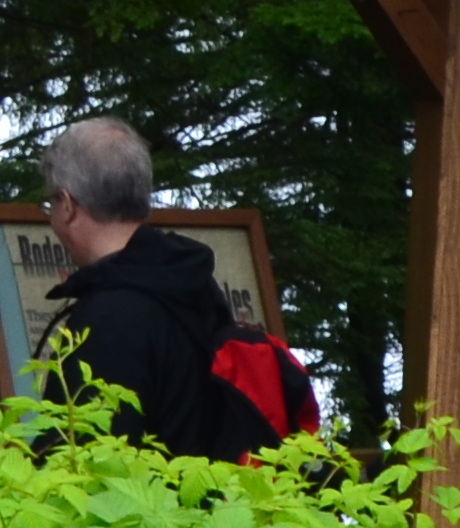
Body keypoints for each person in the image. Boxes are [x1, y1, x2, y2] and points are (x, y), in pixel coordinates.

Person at [29, 119, 276, 459]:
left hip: (150, 509)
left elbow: (86, 462)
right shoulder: (193, 284)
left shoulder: (108, 318)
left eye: (50, 205)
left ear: (68, 204)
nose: (52, 217)